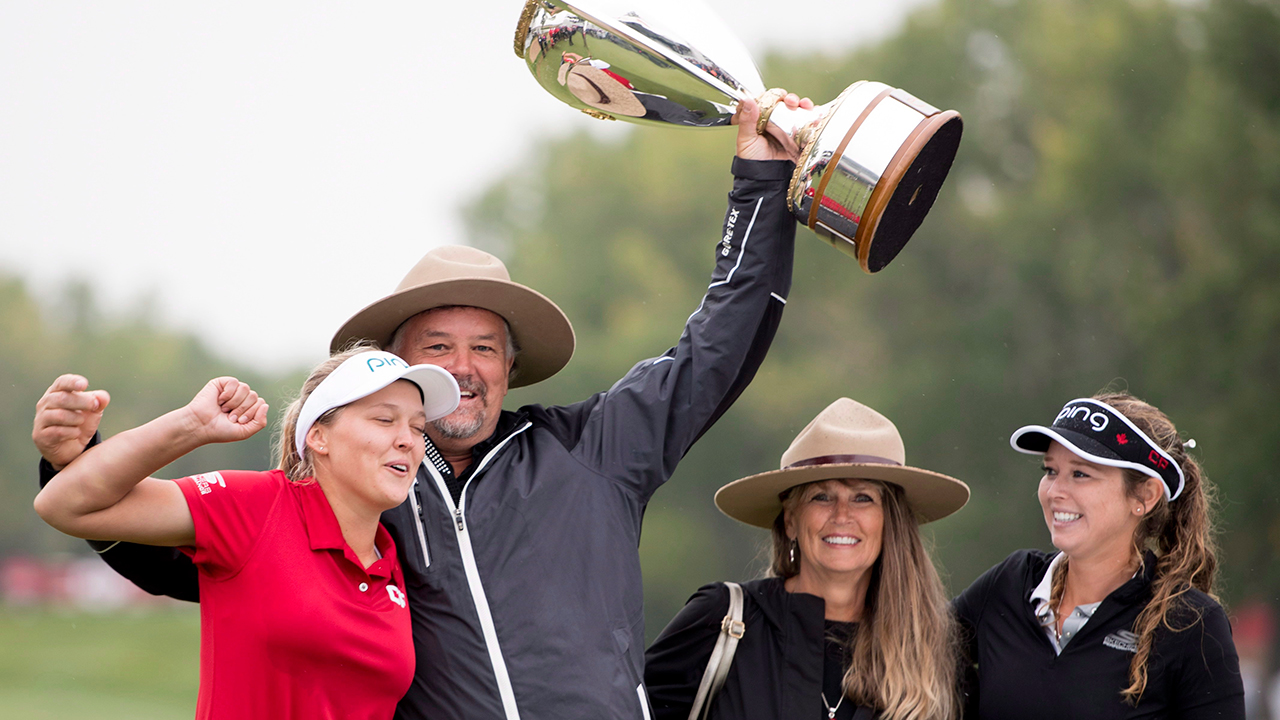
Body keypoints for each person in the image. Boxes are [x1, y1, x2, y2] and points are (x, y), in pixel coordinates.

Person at [32, 94, 812, 720]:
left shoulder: (596, 448)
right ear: (398, 369)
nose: (464, 369)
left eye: (484, 348)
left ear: (513, 366)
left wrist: (760, 184)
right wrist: (77, 458)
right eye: (437, 347)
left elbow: (720, 342)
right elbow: (175, 557)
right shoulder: (364, 485)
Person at [33, 349, 460, 719]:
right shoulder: (255, 506)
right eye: (384, 419)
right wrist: (193, 425)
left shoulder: (396, 565)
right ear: (318, 437)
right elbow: (64, 504)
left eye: (418, 427)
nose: (407, 440)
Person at [645, 398, 970, 720]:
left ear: (890, 523)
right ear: (790, 520)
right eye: (822, 496)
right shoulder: (723, 620)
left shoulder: (932, 650)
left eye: (862, 498)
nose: (842, 515)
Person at [953, 392, 1245, 719]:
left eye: (1080, 474)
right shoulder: (1008, 584)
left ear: (1145, 496)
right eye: (1050, 471)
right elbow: (903, 660)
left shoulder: (1190, 623)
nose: (1054, 491)